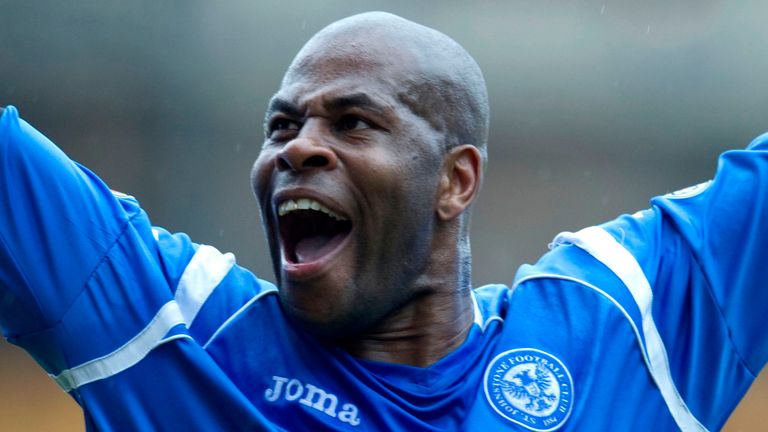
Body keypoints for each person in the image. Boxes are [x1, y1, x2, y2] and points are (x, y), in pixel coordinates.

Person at [0, 11, 765, 432]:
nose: (298, 147)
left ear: (455, 180)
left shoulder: (625, 328)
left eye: (354, 123)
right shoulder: (183, 336)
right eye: (280, 126)